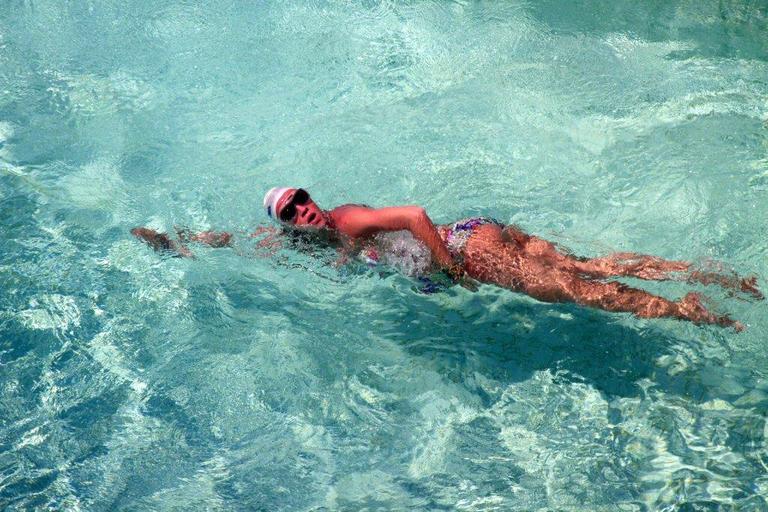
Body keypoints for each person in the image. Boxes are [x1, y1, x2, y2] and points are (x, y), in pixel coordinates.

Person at [132, 187, 763, 330]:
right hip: (480, 230)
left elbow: (411, 215)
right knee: (587, 265)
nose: (305, 212)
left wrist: (453, 269)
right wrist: (179, 242)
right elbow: (238, 243)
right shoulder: (297, 240)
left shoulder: (347, 221)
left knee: (574, 290)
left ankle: (691, 311)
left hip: (468, 247)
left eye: (304, 200)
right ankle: (715, 276)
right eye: (292, 212)